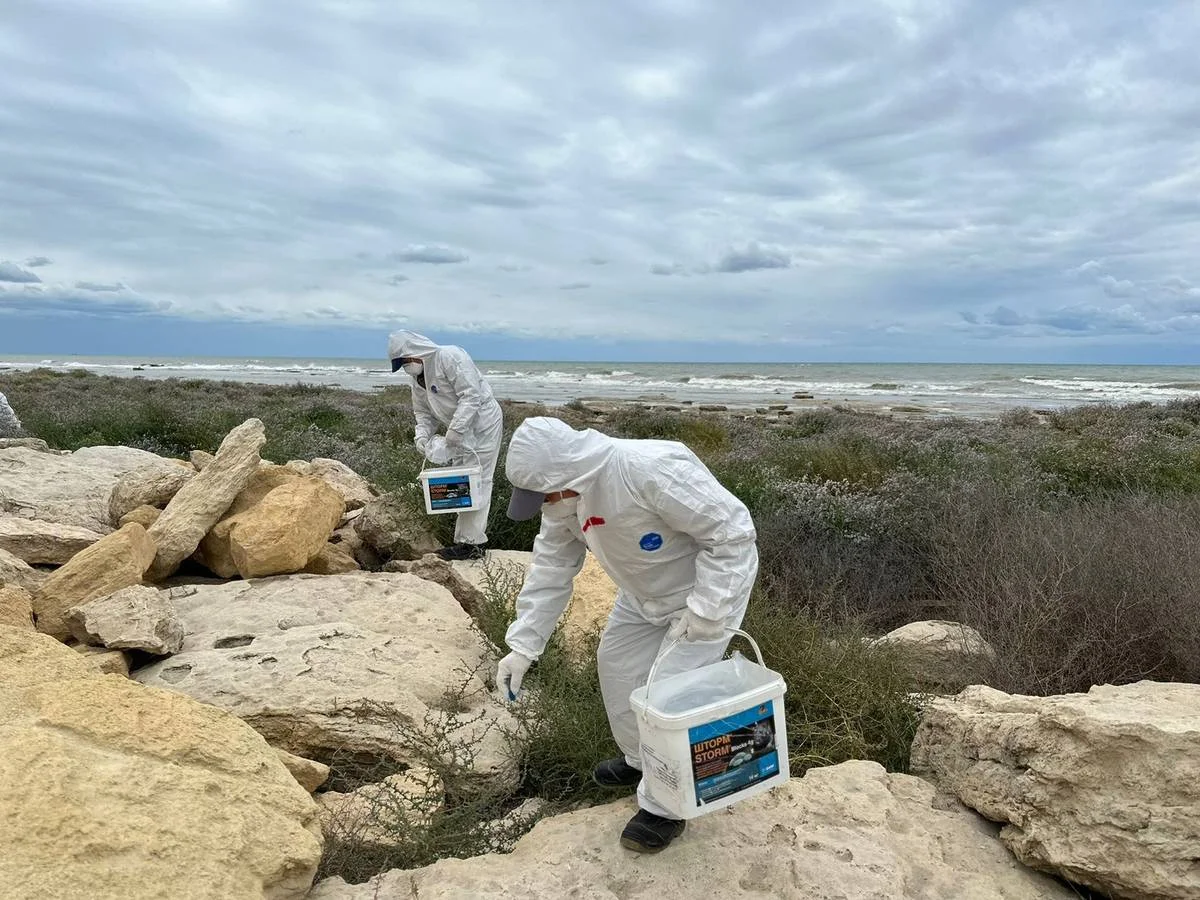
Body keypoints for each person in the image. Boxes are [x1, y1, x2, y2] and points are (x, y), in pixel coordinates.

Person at [496, 416, 758, 853]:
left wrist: (709, 611)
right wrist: (523, 645)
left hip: (703, 596)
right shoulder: (564, 500)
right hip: (641, 595)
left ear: (569, 474)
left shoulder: (648, 469)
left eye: (543, 496)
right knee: (616, 667)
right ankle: (642, 760)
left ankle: (666, 808)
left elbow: (732, 533)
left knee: (669, 696)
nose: (544, 506)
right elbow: (552, 567)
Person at [388, 330, 504, 561]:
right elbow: (423, 413)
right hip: (459, 430)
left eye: (405, 362)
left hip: (483, 426)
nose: (405, 368)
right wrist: (421, 438)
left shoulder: (449, 357)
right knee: (463, 480)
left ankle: (471, 544)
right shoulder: (417, 379)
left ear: (416, 353)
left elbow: (471, 396)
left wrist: (454, 433)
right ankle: (465, 540)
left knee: (478, 480)